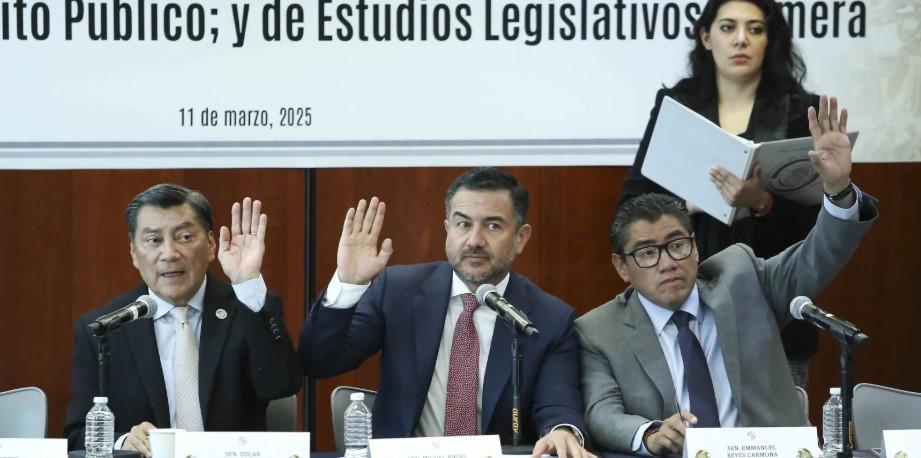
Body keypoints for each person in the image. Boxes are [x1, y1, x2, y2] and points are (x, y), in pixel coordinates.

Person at [579, 96, 876, 455]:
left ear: (696, 247)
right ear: (621, 267)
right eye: (647, 253)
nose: (667, 262)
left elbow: (818, 256)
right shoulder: (598, 331)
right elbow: (601, 413)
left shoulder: (742, 278)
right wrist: (650, 434)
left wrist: (838, 189)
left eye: (677, 245)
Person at [299, 168, 593, 458]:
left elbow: (557, 404)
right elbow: (319, 361)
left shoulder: (548, 318)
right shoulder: (399, 291)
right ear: (447, 229)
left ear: (521, 238)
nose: (475, 240)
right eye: (463, 224)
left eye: (492, 226)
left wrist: (561, 431)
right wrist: (348, 283)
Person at [619, 0, 822, 387]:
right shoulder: (677, 107)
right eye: (728, 27)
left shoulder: (802, 111)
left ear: (770, 39)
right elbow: (630, 209)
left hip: (773, 310)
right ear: (706, 37)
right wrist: (689, 204)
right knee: (692, 422)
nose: (741, 39)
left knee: (777, 425)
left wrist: (761, 202)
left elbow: (818, 232)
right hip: (684, 302)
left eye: (755, 29)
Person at [64, 184, 301, 455]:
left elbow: (282, 385)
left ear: (211, 244)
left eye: (185, 237)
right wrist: (124, 441)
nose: (169, 254)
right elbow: (76, 436)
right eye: (153, 240)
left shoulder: (248, 306)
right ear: (134, 253)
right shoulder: (105, 329)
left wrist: (247, 284)